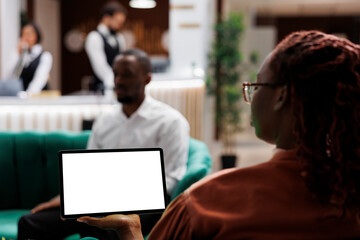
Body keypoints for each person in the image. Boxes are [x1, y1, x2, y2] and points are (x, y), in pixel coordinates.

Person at [78, 31, 360, 239]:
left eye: (256, 85)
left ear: (282, 96)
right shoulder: (348, 194)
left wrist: (130, 229)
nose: (249, 95)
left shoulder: (209, 200)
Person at [17, 48, 190, 239]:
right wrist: (66, 198)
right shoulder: (105, 120)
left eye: (127, 75)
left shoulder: (171, 121)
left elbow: (172, 180)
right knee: (29, 222)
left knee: (101, 227)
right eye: (116, 74)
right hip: (97, 202)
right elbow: (88, 172)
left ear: (147, 79)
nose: (118, 81)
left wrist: (115, 195)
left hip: (144, 206)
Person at [85, 1, 127, 95]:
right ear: (106, 18)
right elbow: (100, 67)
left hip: (118, 87)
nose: (119, 26)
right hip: (102, 90)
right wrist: (114, 83)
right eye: (117, 22)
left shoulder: (119, 38)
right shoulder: (94, 37)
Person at [10, 22, 52, 95]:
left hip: (38, 98)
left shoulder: (45, 56)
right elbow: (10, 77)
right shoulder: (21, 56)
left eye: (29, 34)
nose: (26, 38)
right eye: (23, 34)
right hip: (22, 98)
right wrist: (17, 54)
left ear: (36, 36)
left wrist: (28, 94)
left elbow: (39, 80)